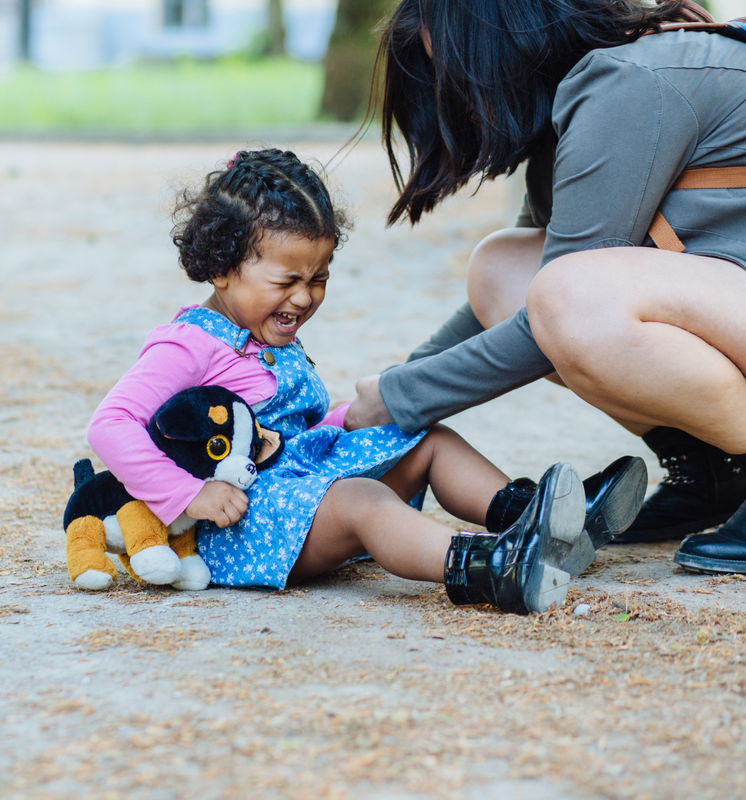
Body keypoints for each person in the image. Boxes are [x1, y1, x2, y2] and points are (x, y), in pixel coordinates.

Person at [87, 148, 646, 614]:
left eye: (319, 278)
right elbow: (111, 425)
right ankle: (488, 566)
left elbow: (287, 430)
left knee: (425, 437)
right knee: (363, 499)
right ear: (222, 267)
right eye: (288, 280)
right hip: (242, 526)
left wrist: (343, 423)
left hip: (299, 488)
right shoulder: (188, 343)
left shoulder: (259, 331)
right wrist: (190, 493)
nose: (304, 297)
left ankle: (535, 519)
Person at [343, 0, 746, 575]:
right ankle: (708, 470)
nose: (450, 94)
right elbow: (507, 304)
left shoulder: (624, 85)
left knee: (573, 298)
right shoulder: (578, 107)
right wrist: (380, 402)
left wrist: (401, 398)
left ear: (500, 43)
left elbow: (558, 315)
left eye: (453, 68)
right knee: (503, 267)